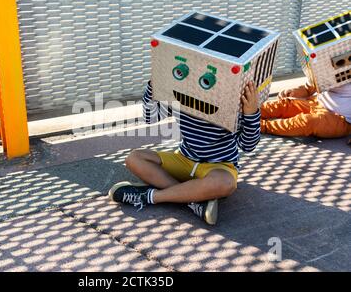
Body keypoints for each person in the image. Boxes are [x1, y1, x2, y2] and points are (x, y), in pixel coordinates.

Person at [108, 80, 260, 225]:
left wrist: (251, 114)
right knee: (134, 158)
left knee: (226, 183)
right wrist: (154, 85)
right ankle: (191, 200)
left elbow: (247, 145)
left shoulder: (231, 100)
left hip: (219, 167)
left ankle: (151, 196)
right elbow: (150, 117)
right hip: (184, 159)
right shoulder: (180, 92)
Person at [260, 81, 351, 138]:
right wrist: (300, 91)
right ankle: (250, 113)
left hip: (340, 119)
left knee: (309, 122)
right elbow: (312, 85)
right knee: (285, 104)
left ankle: (261, 126)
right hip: (317, 101)